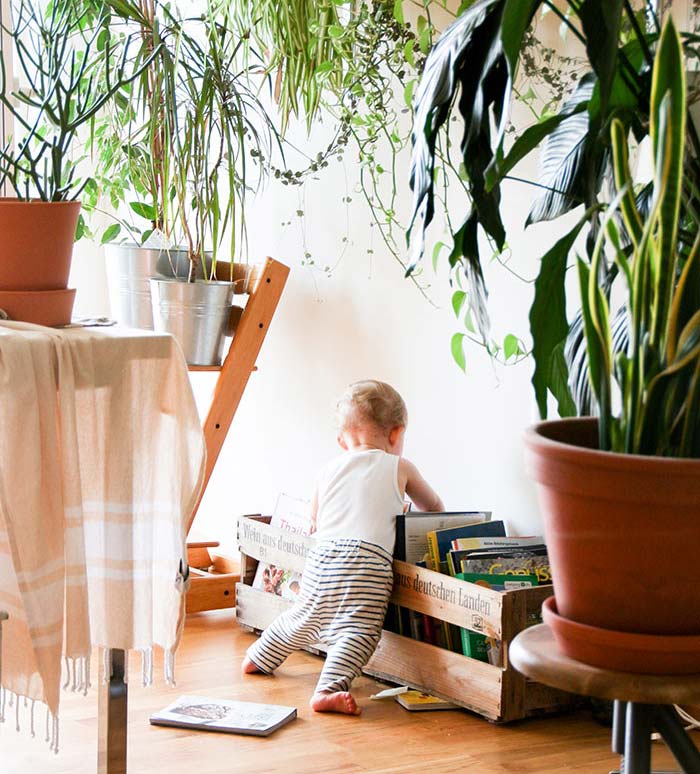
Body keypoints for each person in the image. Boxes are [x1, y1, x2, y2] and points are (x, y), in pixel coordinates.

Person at [242, 379, 444, 715]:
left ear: (342, 440)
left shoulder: (326, 470)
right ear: (395, 434)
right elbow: (434, 508)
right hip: (368, 563)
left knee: (304, 617)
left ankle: (258, 657)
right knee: (359, 630)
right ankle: (328, 689)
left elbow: (314, 521)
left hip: (323, 558)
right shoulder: (400, 466)